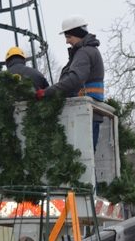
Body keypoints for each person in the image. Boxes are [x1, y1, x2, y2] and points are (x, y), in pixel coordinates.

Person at [36, 16, 105, 148]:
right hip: (90, 113)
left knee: (80, 158)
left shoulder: (83, 52)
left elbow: (74, 80)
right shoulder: (91, 51)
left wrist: (46, 92)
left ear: (78, 34)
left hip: (82, 114)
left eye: (69, 37)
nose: (67, 42)